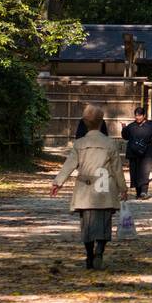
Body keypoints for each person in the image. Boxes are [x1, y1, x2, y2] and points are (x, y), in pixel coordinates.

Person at [50, 104, 128, 269]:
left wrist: (58, 182)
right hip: (105, 187)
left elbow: (69, 165)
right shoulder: (110, 143)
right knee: (105, 221)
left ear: (85, 123)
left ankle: (89, 254)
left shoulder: (79, 144)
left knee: (86, 223)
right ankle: (100, 251)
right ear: (101, 123)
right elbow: (117, 169)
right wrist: (123, 188)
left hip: (85, 189)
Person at [121, 106, 152, 199]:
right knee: (135, 172)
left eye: (140, 115)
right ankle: (138, 192)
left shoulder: (150, 126)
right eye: (136, 115)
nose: (138, 117)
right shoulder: (131, 126)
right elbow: (125, 136)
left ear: (144, 115)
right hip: (133, 153)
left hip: (147, 153)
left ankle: (143, 192)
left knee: (144, 172)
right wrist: (123, 128)